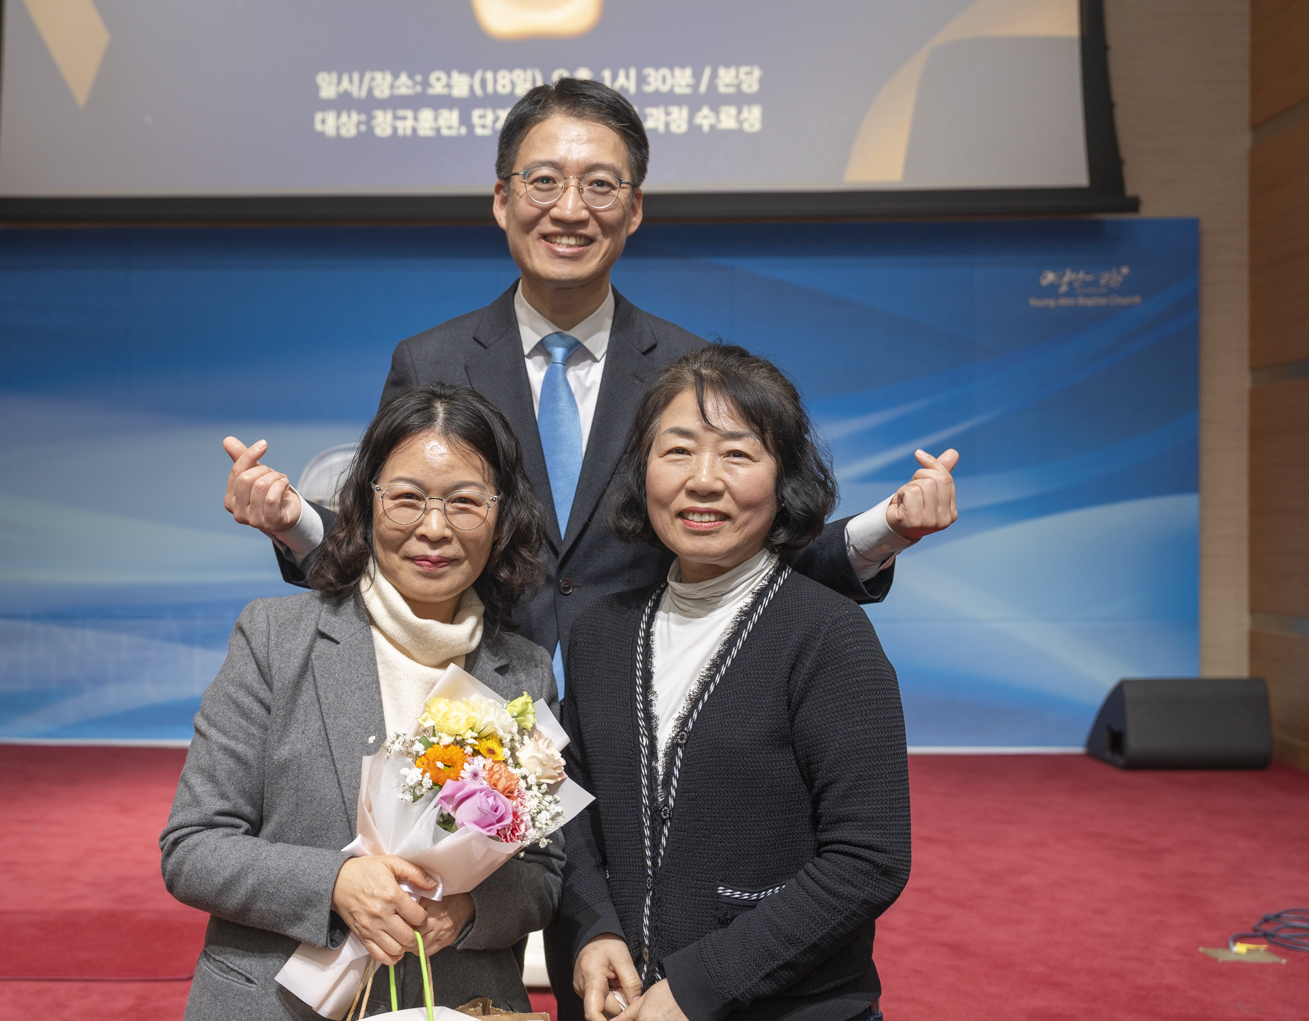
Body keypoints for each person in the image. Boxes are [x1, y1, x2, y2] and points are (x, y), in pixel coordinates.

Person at [220, 76, 952, 1018]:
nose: (571, 208)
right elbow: (403, 535)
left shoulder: (687, 367)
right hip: (480, 718)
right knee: (456, 967)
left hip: (650, 725)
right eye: (544, 181)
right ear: (501, 198)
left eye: (601, 184)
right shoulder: (431, 359)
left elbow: (752, 557)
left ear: (635, 207)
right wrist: (297, 524)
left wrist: (881, 532)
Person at [161, 384, 562, 1021]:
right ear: (366, 503)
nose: (434, 528)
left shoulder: (524, 672)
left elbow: (543, 873)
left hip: (457, 1004)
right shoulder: (276, 640)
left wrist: (466, 909)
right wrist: (335, 883)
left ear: (502, 516)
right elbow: (193, 847)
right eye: (407, 498)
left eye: (464, 502)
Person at [558, 345, 911, 1021]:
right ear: (641, 470)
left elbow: (870, 859)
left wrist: (699, 985)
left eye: (738, 454)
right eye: (678, 451)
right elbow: (568, 805)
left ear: (785, 478)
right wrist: (592, 927)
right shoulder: (599, 632)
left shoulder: (829, 635)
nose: (703, 480)